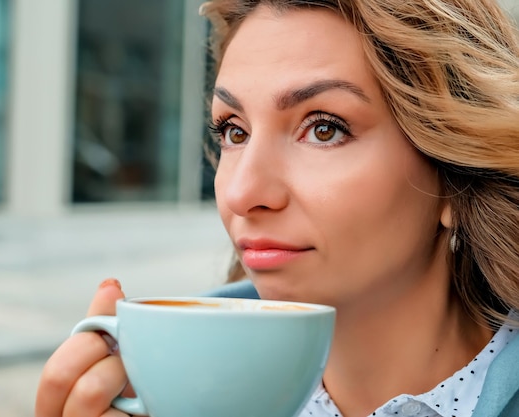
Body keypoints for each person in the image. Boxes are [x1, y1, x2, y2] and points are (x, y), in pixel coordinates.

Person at [35, 0, 519, 416]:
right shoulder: (172, 394)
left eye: (324, 128)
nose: (243, 193)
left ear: (456, 176)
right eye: (234, 131)